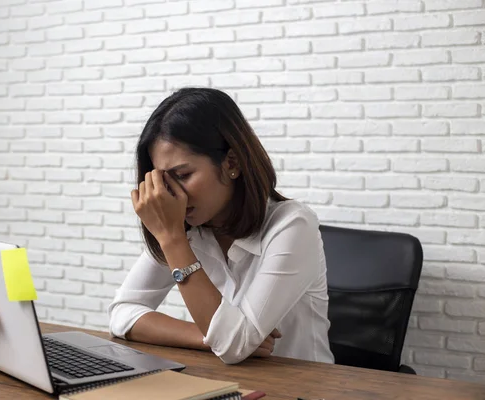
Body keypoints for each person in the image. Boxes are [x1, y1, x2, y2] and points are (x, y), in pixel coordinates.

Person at [108, 87, 334, 365]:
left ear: (232, 162)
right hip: (230, 383)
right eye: (164, 181)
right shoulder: (188, 227)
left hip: (305, 389)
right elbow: (122, 313)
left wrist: (172, 239)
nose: (171, 195)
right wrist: (204, 336)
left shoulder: (293, 225)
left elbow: (234, 346)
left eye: (183, 175)